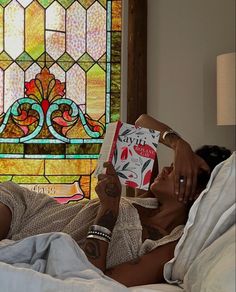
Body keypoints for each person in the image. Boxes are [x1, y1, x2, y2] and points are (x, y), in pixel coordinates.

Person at [0, 114, 231, 287]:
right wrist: (180, 145)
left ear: (199, 192)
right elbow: (140, 124)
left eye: (182, 170)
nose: (170, 166)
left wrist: (108, 210)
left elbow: (94, 280)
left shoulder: (167, 247)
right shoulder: (148, 199)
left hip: (40, 248)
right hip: (25, 211)